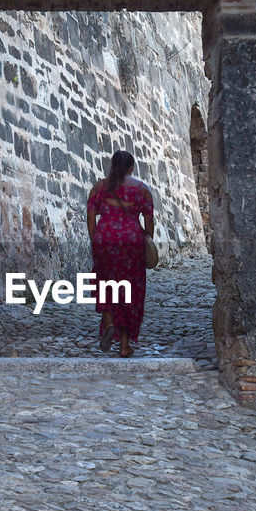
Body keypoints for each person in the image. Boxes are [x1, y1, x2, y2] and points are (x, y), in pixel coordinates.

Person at [86, 150, 155, 357]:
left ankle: (108, 322)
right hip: (131, 241)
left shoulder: (98, 188)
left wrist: (95, 240)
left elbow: (91, 219)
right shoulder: (142, 190)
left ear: (112, 166)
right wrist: (147, 241)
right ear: (132, 167)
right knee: (129, 291)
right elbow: (149, 220)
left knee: (105, 283)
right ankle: (125, 345)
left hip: (105, 238)